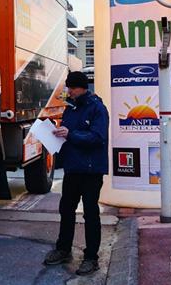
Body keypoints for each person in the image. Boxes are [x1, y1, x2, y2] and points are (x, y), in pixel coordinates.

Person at [43, 71, 109, 275]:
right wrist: (57, 134)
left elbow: (98, 137)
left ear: (81, 87)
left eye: (71, 88)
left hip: (91, 171)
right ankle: (63, 249)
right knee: (66, 209)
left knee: (90, 213)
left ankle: (91, 258)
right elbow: (69, 135)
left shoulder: (98, 108)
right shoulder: (71, 109)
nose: (69, 92)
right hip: (73, 169)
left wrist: (70, 134)